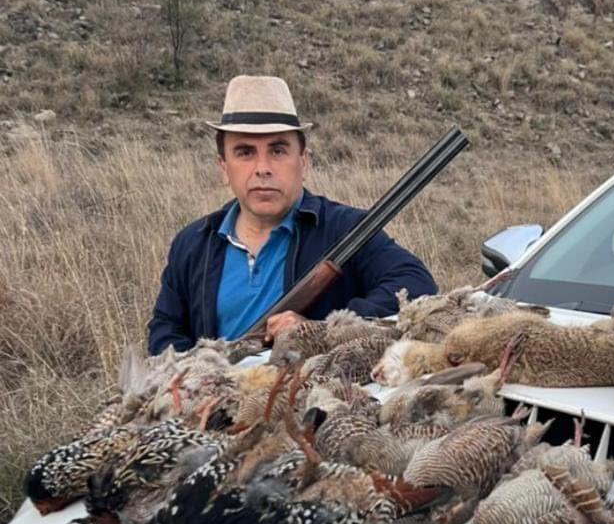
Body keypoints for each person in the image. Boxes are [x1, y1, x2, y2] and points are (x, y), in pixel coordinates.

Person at [147, 75, 437, 354]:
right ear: (224, 168)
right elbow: (166, 329)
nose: (262, 168)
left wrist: (322, 331)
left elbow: (416, 284)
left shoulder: (346, 229)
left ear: (304, 162)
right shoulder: (194, 243)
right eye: (245, 152)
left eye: (278, 151)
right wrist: (195, 381)